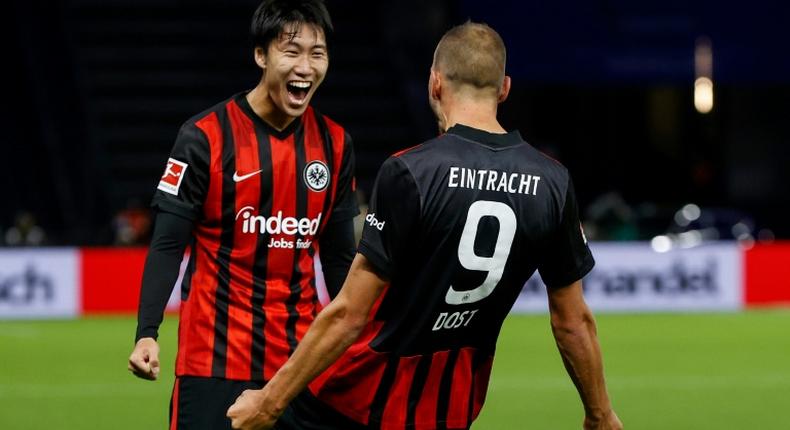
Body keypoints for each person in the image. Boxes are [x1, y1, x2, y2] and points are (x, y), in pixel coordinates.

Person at [227, 21, 622, 430]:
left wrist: (270, 401)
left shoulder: (410, 171)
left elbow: (349, 314)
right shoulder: (552, 182)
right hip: (449, 410)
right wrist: (600, 414)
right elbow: (573, 322)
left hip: (351, 403)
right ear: (504, 88)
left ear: (435, 83)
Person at [126, 1, 359, 429]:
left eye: (317, 53)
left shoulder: (336, 145)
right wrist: (147, 332)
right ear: (261, 55)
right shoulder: (204, 138)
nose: (305, 66)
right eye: (291, 51)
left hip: (300, 366)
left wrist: (357, 345)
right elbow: (167, 244)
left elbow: (341, 259)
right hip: (212, 363)